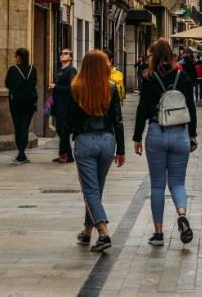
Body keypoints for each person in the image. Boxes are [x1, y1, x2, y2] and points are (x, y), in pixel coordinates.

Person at [133, 38, 198, 246]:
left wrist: (136, 137)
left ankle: (158, 233)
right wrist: (193, 134)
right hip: (180, 134)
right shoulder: (183, 77)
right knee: (178, 182)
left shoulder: (149, 79)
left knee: (158, 185)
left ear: (155, 56)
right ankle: (181, 214)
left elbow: (142, 110)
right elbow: (191, 108)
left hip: (157, 132)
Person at [66, 50, 125, 252]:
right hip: (108, 141)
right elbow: (118, 120)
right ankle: (87, 232)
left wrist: (64, 145)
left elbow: (68, 120)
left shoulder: (75, 87)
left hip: (85, 141)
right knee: (96, 189)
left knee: (90, 190)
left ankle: (103, 232)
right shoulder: (111, 88)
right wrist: (122, 150)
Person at [6, 47, 37, 164]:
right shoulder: (32, 69)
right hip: (29, 103)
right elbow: (34, 83)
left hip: (16, 103)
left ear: (18, 56)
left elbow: (7, 84)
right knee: (25, 127)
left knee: (18, 127)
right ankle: (22, 153)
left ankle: (20, 153)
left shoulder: (13, 69)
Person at [51, 48, 77, 163]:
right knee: (59, 129)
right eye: (61, 53)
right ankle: (65, 153)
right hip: (58, 103)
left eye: (65, 53)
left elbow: (72, 88)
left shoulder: (71, 70)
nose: (62, 55)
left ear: (70, 57)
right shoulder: (60, 70)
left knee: (63, 130)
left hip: (66, 104)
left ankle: (67, 155)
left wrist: (55, 87)